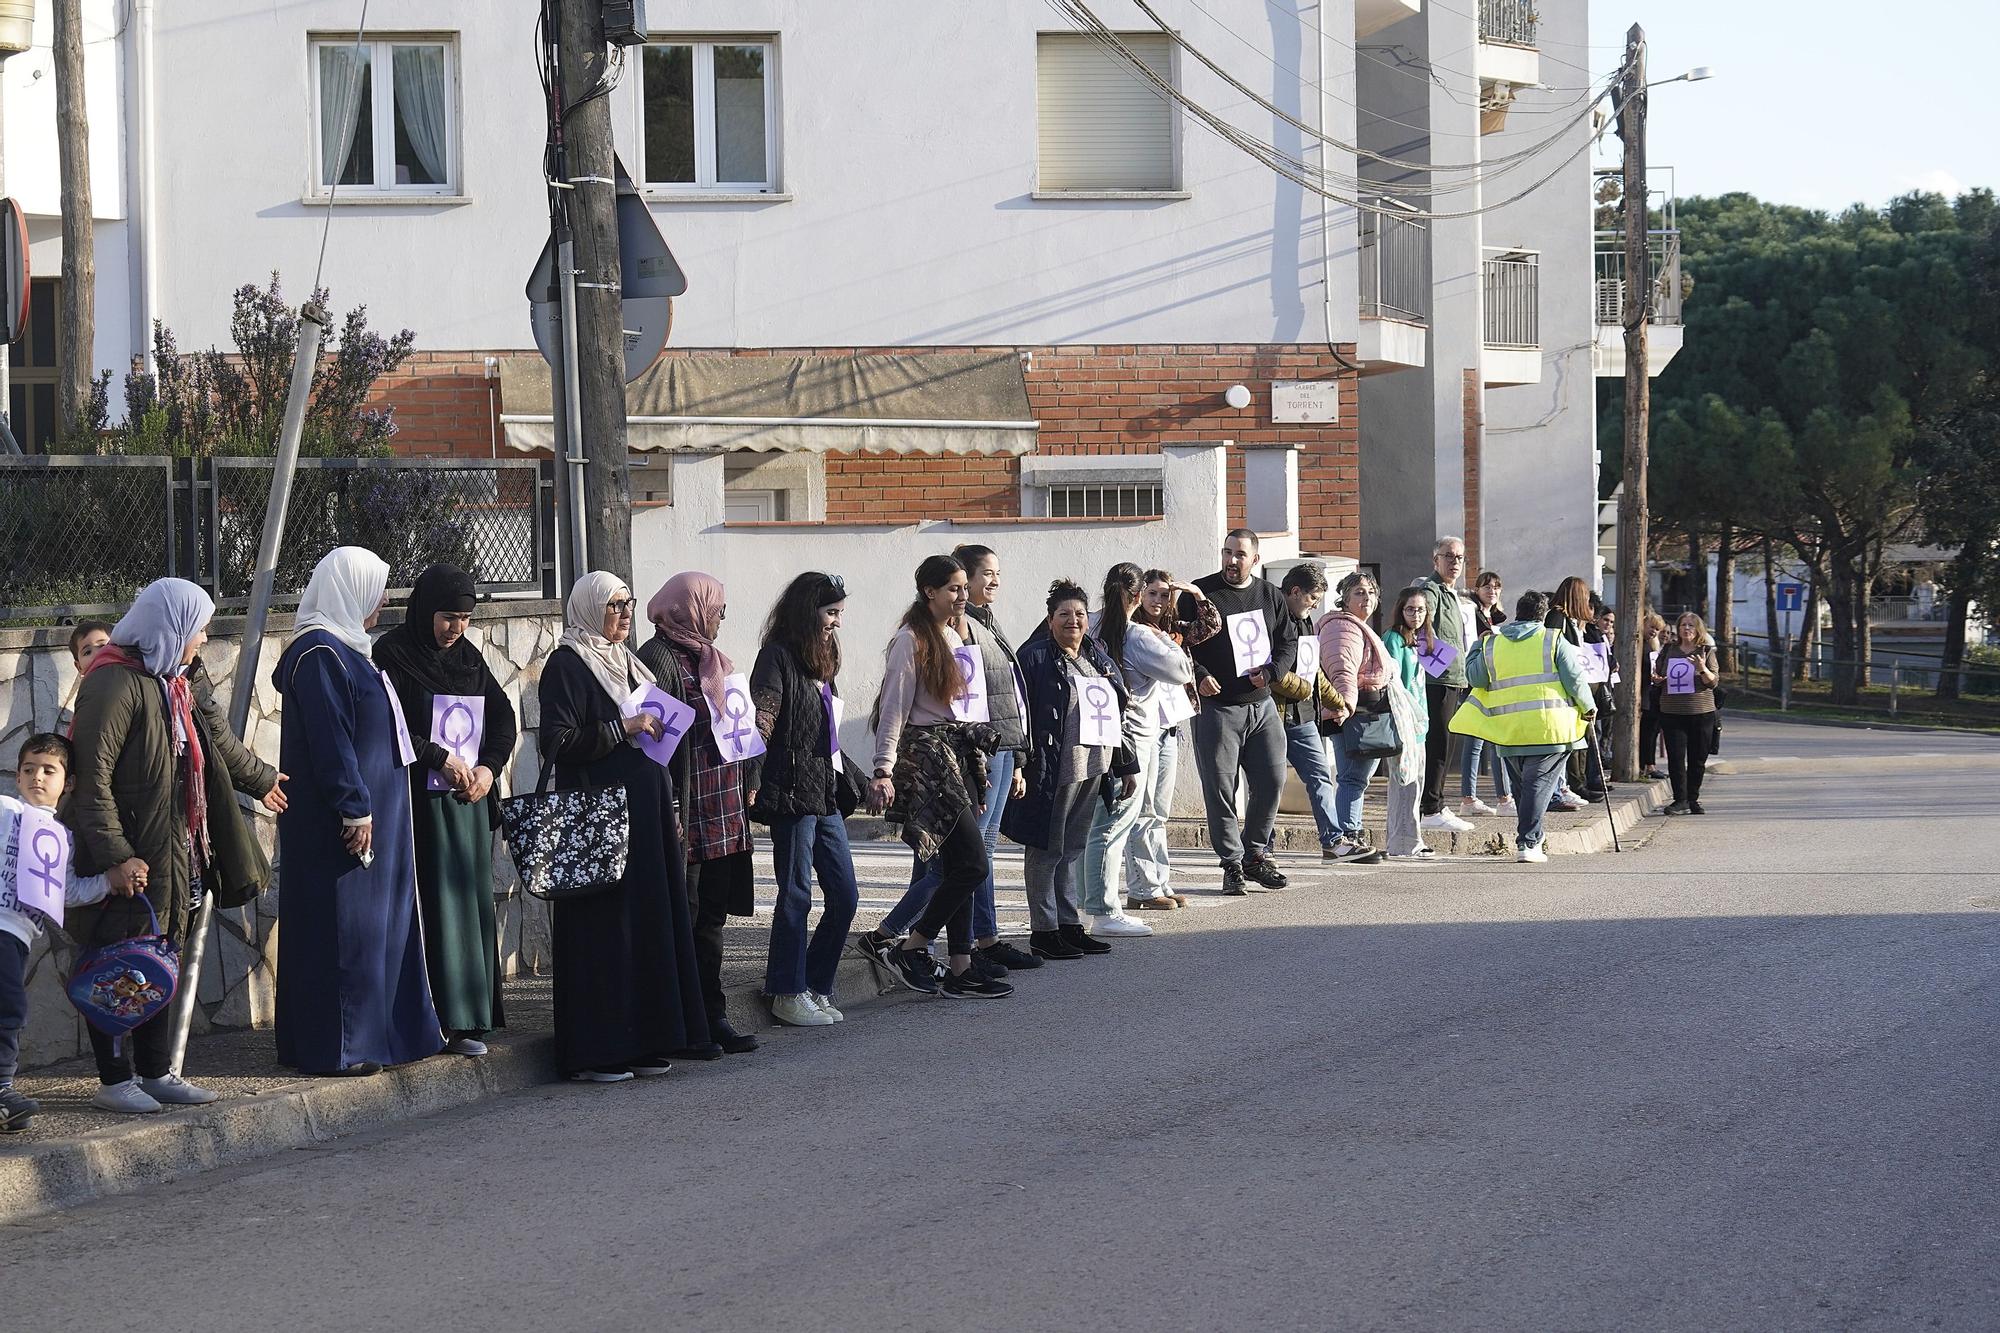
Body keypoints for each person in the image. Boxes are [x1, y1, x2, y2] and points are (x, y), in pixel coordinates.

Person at [68, 578, 284, 1110]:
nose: (204, 637)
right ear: (171, 626)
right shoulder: (114, 685)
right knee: (116, 960)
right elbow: (91, 782)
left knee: (154, 957)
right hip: (129, 857)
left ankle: (155, 1072)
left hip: (169, 850)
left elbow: (215, 741)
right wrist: (118, 858)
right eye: (198, 627)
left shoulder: (172, 682)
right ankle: (114, 1081)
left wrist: (264, 780)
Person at [274, 548, 443, 1077]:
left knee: (380, 931)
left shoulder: (349, 647)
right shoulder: (318, 652)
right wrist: (354, 808)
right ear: (348, 589)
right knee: (345, 932)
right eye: (375, 586)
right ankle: (341, 1045)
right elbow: (331, 741)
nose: (385, 599)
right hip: (343, 824)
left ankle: (384, 1037)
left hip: (379, 815)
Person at [537, 570, 709, 1081]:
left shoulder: (626, 663)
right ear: (591, 608)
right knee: (604, 932)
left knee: (646, 926)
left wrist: (673, 806)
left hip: (646, 817)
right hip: (599, 820)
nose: (624, 613)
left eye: (629, 603)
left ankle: (644, 1041)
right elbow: (558, 743)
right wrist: (622, 727)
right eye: (614, 605)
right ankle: (598, 1051)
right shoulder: (568, 664)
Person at [860, 544, 1039, 976]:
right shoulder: (911, 638)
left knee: (967, 862)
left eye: (964, 588)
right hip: (929, 760)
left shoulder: (955, 634)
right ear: (929, 592)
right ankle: (903, 942)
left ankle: (960, 961)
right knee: (966, 861)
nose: (963, 596)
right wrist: (883, 769)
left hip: (961, 754)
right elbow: (895, 708)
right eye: (954, 589)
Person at [374, 564, 518, 1060]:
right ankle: (431, 1020)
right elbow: (386, 725)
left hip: (467, 807)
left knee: (468, 909)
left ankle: (469, 1018)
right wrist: (438, 757)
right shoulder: (391, 655)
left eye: (464, 618)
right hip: (419, 808)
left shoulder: (470, 660)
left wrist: (488, 770)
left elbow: (504, 719)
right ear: (424, 610)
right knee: (432, 909)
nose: (455, 629)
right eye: (447, 617)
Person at [638, 572, 762, 1052]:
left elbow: (740, 726)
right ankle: (685, 1024)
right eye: (716, 607)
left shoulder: (715, 659)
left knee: (711, 920)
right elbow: (655, 745)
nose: (722, 617)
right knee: (684, 920)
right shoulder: (659, 659)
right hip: (688, 814)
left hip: (724, 811)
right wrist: (667, 805)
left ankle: (714, 1019)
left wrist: (750, 777)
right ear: (686, 608)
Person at [1005, 580, 1138, 959]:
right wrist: (1019, 764)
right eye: (1064, 614)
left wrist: (1126, 763)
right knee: (1047, 849)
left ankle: (1069, 924)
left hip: (1093, 767)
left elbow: (1116, 711)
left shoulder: (1095, 654)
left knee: (1073, 848)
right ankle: (1043, 930)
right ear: (1050, 620)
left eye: (1079, 614)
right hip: (1053, 768)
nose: (1073, 621)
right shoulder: (1033, 658)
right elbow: (1020, 716)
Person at [750, 572, 862, 1022]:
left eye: (839, 614)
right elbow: (764, 717)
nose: (836, 622)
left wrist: (853, 774)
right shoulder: (775, 656)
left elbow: (828, 730)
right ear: (807, 611)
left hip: (825, 790)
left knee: (846, 895)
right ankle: (785, 991)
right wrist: (751, 776)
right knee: (795, 893)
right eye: (831, 613)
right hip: (790, 790)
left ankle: (815, 984)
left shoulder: (826, 657)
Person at [2, 734, 113, 1132]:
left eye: (49, 770)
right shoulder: (4, 810)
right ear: (16, 777)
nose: (37, 777)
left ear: (67, 784)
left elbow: (69, 892)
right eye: (28, 770)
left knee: (10, 1009)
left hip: (15, 935)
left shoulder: (60, 837)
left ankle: (2, 1093)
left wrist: (110, 880)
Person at [1181, 530, 1297, 894]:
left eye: (1240, 555)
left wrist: (1273, 672)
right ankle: (1232, 864)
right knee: (1220, 789)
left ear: (1255, 560)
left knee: (1272, 780)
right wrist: (1199, 676)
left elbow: (1288, 641)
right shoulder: (1200, 594)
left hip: (1261, 706)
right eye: (1227, 552)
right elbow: (1179, 642)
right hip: (1218, 709)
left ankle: (1256, 854)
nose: (1232, 560)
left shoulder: (1270, 596)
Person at [1080, 562, 1190, 932]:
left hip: (1092, 732)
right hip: (1132, 738)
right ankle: (1103, 910)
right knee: (1114, 824)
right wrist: (1161, 638)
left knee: (1094, 823)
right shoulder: (1137, 635)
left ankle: (1087, 903)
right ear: (1138, 595)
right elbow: (1181, 671)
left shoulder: (1089, 623)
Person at [1452, 589, 1597, 863]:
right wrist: (1589, 707)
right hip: (1549, 728)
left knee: (1524, 789)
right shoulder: (1553, 640)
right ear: (1543, 616)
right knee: (1536, 787)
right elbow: (1575, 680)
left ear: (1517, 613)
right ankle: (1528, 842)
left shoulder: (1493, 644)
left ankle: (1534, 836)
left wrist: (1475, 647)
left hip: (1507, 730)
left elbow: (1476, 678)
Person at [1130, 569, 1220, 907]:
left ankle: (1160, 882)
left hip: (1170, 726)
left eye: (1164, 595)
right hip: (1146, 727)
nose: (1158, 601)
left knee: (1159, 811)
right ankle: (1142, 888)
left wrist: (1196, 595)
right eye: (1152, 593)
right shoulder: (1136, 632)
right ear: (1140, 596)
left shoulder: (1173, 630)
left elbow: (1210, 627)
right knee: (1143, 808)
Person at [1271, 563, 1350, 865]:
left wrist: (1337, 701)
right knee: (1269, 784)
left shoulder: (1305, 620)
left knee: (1320, 775)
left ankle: (1333, 841)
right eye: (1312, 598)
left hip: (1302, 717)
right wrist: (1302, 689)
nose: (1316, 605)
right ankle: (1264, 846)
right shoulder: (1273, 616)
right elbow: (1269, 672)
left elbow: (1312, 670)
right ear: (1294, 592)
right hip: (1273, 716)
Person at [1316, 572, 1390, 865]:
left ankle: (1352, 835)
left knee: (1356, 778)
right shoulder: (1342, 628)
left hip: (1362, 710)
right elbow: (1341, 670)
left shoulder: (1355, 626)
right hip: (1351, 712)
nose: (1366, 598)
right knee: (1351, 777)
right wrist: (1345, 704)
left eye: (1371, 592)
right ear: (1344, 598)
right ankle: (1347, 836)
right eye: (1359, 592)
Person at [1417, 538, 1476, 833]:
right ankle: (1430, 807)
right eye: (1449, 556)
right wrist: (1437, 668)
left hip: (1453, 678)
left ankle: (1436, 802)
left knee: (1446, 744)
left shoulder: (1452, 594)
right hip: (1436, 680)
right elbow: (1420, 631)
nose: (1455, 562)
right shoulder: (1431, 591)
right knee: (1437, 744)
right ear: (1435, 560)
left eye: (1460, 558)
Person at [1379, 587, 1438, 860]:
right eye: (1410, 609)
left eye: (1421, 610)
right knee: (1404, 783)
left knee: (1416, 784)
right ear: (1400, 610)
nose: (1415, 615)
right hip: (1404, 722)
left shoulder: (1420, 640)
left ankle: (1412, 837)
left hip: (1419, 724)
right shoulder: (1393, 639)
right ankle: (1402, 841)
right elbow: (1396, 685)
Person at [1458, 572, 1515, 820]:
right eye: (1487, 586)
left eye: (1496, 586)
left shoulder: (1496, 619)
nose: (1492, 590)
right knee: (1475, 742)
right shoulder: (1471, 613)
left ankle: (1503, 798)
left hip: (1494, 683)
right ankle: (1470, 798)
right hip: (1475, 682)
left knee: (1496, 741)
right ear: (1476, 589)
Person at [1652, 611, 1721, 815]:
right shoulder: (1669, 650)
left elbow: (1713, 682)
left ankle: (1693, 798)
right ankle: (1679, 799)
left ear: (1698, 629)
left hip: (1701, 712)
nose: (1687, 629)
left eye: (1691, 625)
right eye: (1683, 625)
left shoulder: (1706, 651)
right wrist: (1658, 680)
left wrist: (1702, 668)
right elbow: (1659, 673)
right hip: (1672, 711)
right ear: (1678, 629)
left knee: (1698, 758)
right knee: (1676, 757)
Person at [1547, 578, 1606, 803]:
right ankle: (1561, 789)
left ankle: (1566, 786)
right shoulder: (1557, 618)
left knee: (1573, 741)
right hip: (1560, 688)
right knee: (1563, 743)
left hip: (1570, 688)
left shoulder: (1569, 621)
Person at [55, 619, 112, 732]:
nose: (97, 654)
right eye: (87, 652)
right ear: (79, 667)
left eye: (102, 646)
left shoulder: (131, 679)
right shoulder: (87, 695)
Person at [1638, 611, 1668, 779]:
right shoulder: (1639, 645)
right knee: (1648, 731)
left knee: (1653, 730)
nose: (1654, 631)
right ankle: (1646, 765)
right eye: (1652, 627)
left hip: (1652, 693)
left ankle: (1649, 763)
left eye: (1658, 629)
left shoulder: (1651, 646)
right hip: (1643, 694)